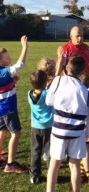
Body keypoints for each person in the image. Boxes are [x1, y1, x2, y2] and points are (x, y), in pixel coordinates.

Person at [45, 56, 89, 192]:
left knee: (54, 165)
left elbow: (48, 101)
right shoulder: (83, 90)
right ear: (82, 73)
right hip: (77, 132)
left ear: (67, 67)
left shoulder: (58, 81)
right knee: (74, 165)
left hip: (58, 130)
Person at [0, 35, 28, 173]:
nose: (9, 58)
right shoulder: (3, 72)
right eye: (6, 58)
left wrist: (12, 83)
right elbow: (19, 65)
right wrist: (24, 47)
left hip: (1, 108)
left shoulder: (3, 75)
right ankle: (10, 163)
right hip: (8, 107)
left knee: (3, 131)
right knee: (16, 133)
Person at [28, 70, 53, 184]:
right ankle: (51, 173)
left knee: (35, 150)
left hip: (35, 127)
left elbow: (39, 92)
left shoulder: (29, 93)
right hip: (48, 127)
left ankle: (34, 175)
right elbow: (50, 93)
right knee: (50, 151)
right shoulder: (47, 94)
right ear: (45, 82)